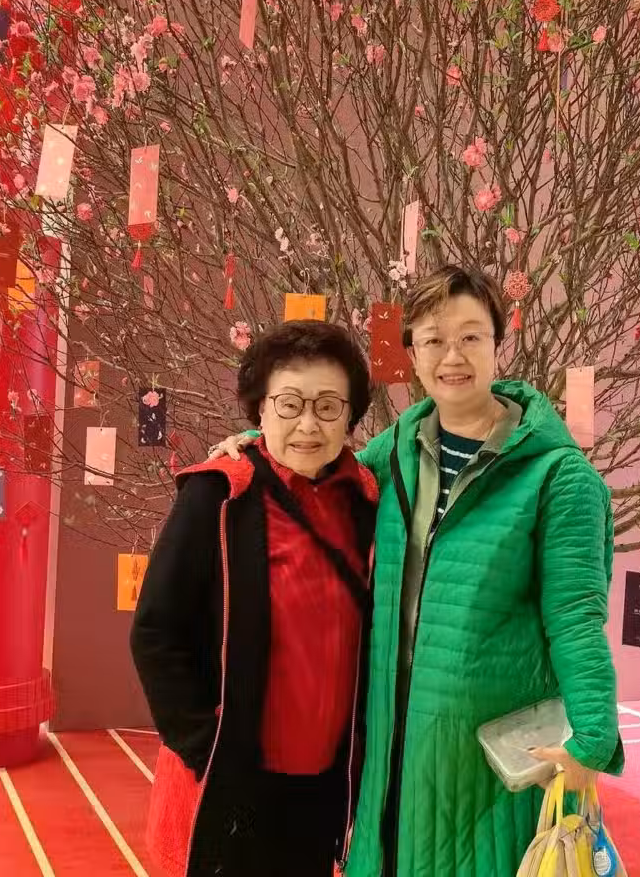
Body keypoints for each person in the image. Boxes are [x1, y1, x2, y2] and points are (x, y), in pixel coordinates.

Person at [209, 264, 623, 877]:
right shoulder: (397, 451)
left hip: (483, 753)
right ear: (412, 354)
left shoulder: (559, 477)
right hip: (389, 740)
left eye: (470, 336)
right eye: (433, 339)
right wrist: (258, 441)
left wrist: (593, 739)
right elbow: (323, 462)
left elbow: (575, 616)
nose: (452, 356)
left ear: (497, 344)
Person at [131, 319, 380, 877]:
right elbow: (156, 631)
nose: (308, 425)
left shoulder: (368, 502)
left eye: (328, 406)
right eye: (289, 404)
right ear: (260, 410)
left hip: (324, 788)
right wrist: (206, 747)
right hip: (234, 784)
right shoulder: (218, 496)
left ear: (350, 417)